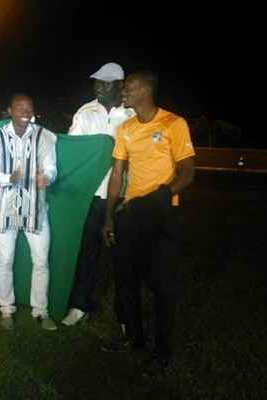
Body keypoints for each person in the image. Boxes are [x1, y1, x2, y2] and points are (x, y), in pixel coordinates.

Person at [101, 71, 195, 377]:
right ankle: (133, 338)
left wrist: (164, 195)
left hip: (160, 215)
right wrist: (109, 215)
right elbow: (117, 174)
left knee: (162, 287)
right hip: (130, 214)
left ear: (146, 91)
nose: (123, 91)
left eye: (129, 87)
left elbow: (187, 171)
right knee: (126, 282)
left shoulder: (173, 124)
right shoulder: (125, 128)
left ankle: (162, 351)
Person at [62, 62, 135, 326]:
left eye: (105, 83)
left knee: (123, 257)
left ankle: (126, 315)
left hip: (123, 197)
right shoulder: (85, 112)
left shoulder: (131, 115)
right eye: (97, 82)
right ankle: (80, 305)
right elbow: (73, 152)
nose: (99, 87)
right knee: (86, 253)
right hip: (90, 197)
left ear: (119, 86)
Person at [0, 94, 58, 331]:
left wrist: (46, 177)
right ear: (9, 111)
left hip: (36, 208)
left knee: (41, 261)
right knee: (4, 261)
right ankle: (6, 310)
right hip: (5, 208)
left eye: (29, 107)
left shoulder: (44, 136)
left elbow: (53, 168)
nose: (25, 110)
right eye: (19, 107)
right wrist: (9, 178)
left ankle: (41, 310)